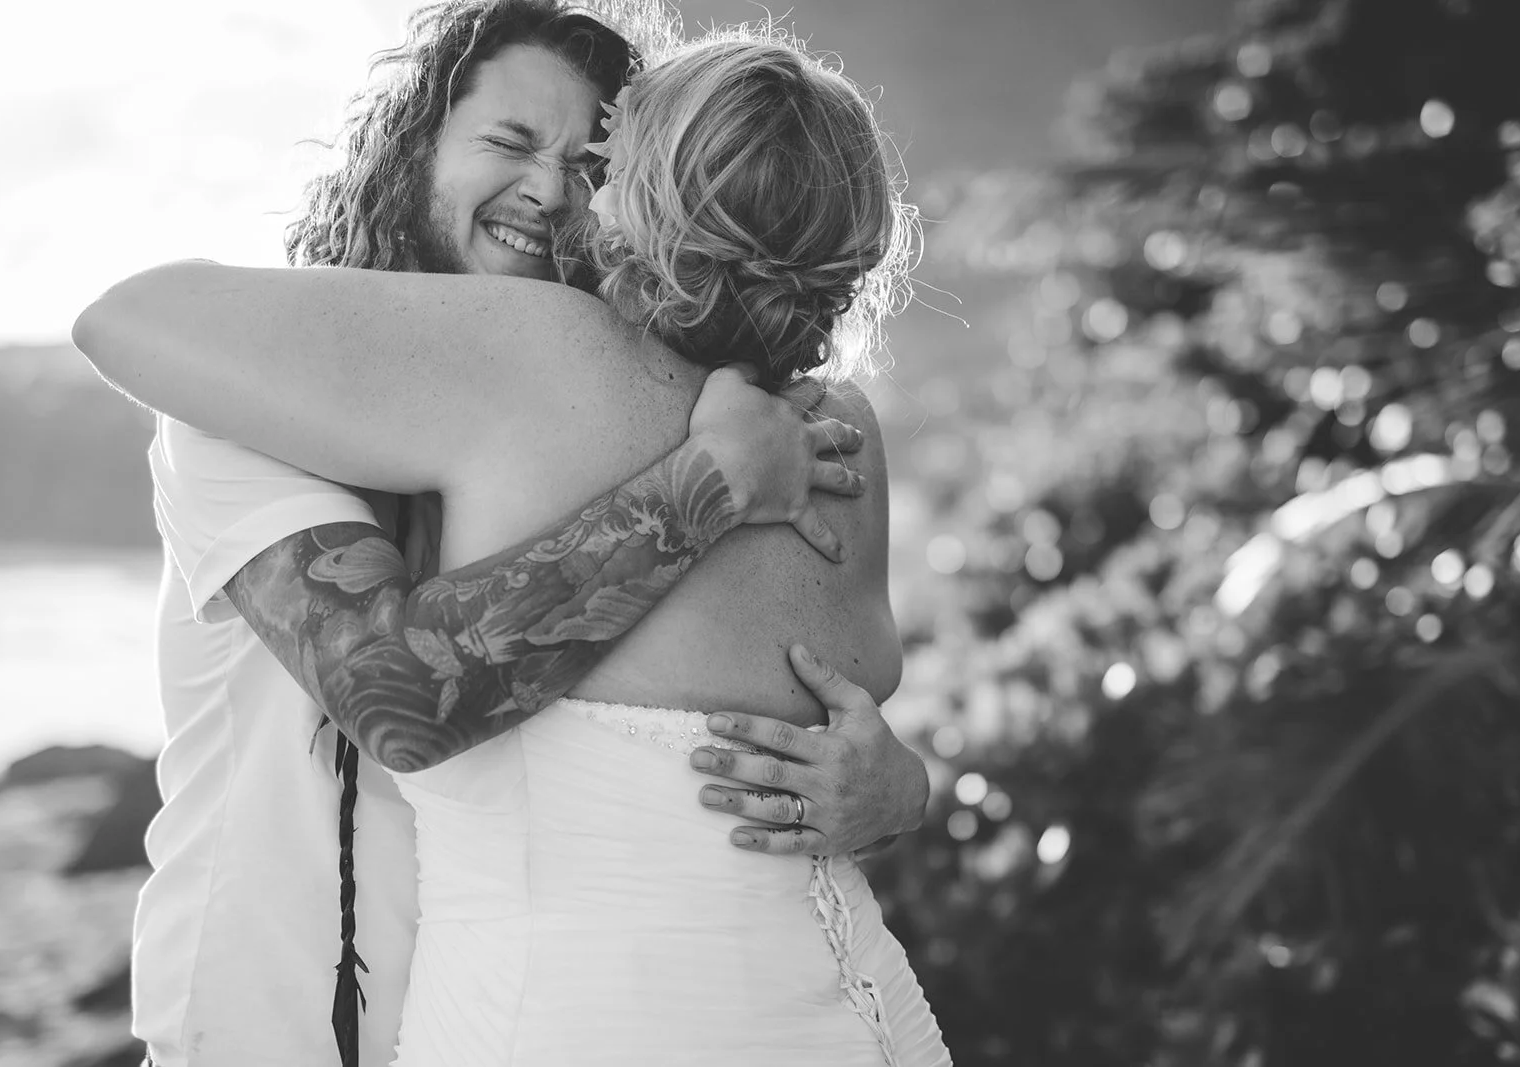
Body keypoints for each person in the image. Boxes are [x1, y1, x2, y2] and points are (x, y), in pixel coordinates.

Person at [73, 3, 930, 1066]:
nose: (550, 190)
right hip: (283, 1034)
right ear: (412, 150)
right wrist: (707, 484)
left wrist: (890, 788)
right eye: (511, 144)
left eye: (588, 160)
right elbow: (396, 686)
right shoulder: (250, 408)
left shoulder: (610, 387)